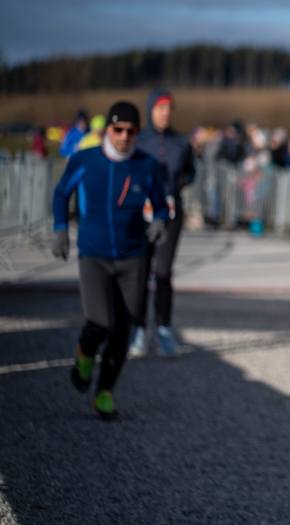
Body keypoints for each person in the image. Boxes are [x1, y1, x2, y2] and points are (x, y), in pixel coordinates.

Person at [51, 101, 169, 419]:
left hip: (133, 257)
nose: (124, 136)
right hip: (94, 254)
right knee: (100, 322)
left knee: (123, 328)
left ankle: (104, 391)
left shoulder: (146, 165)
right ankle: (85, 353)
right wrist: (60, 229)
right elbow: (61, 193)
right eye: (118, 130)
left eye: (131, 131)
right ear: (108, 130)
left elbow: (161, 204)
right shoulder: (84, 159)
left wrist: (161, 221)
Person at [130, 88, 196, 356]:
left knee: (164, 272)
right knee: (139, 272)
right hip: (141, 214)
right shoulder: (137, 140)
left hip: (170, 214)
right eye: (161, 108)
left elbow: (191, 172)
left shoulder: (181, 143)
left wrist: (179, 181)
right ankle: (138, 328)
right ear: (151, 110)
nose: (166, 113)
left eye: (170, 108)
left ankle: (164, 329)